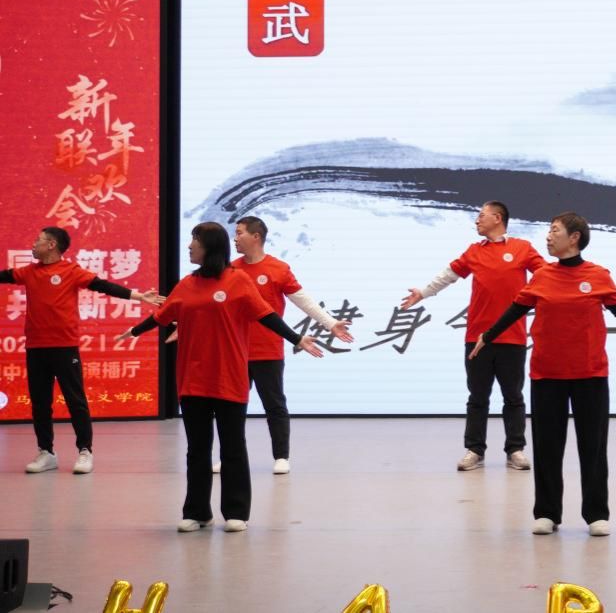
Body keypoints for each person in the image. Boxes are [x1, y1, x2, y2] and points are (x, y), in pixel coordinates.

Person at [469, 212, 616, 537]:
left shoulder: (598, 275)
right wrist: (487, 336)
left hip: (590, 374)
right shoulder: (542, 276)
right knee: (547, 446)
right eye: (549, 231)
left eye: (554, 231)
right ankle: (547, 513)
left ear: (574, 238)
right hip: (547, 374)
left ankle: (596, 514)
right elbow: (516, 310)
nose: (548, 237)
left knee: (593, 447)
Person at [122, 222, 324, 533]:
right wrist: (135, 331)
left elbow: (266, 315)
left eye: (195, 240)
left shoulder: (238, 280)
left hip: (229, 377)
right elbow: (162, 316)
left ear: (211, 247)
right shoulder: (187, 284)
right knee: (197, 450)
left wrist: (297, 338)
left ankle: (236, 512)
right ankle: (197, 512)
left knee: (232, 447)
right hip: (192, 380)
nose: (189, 246)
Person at [0, 225, 163, 474]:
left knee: (75, 400)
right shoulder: (28, 272)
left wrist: (137, 296)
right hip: (36, 347)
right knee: (40, 403)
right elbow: (3, 276)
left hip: (65, 347)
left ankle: (85, 451)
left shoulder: (71, 271)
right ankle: (46, 452)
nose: (33, 244)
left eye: (38, 240)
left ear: (52, 245)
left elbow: (103, 285)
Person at [402, 201, 544, 471]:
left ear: (498, 218)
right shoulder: (474, 251)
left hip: (512, 337)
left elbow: (547, 275)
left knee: (513, 396)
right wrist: (423, 292)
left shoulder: (522, 248)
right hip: (477, 338)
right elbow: (448, 275)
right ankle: (474, 450)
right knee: (478, 397)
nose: (477, 221)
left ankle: (515, 449)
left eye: (481, 216)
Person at [223, 215, 353, 475]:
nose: (234, 239)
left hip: (267, 351)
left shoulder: (278, 269)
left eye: (239, 233)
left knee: (274, 405)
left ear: (256, 237)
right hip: (235, 350)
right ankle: (229, 457)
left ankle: (281, 456)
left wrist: (330, 323)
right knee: (231, 409)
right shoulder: (230, 270)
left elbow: (303, 300)